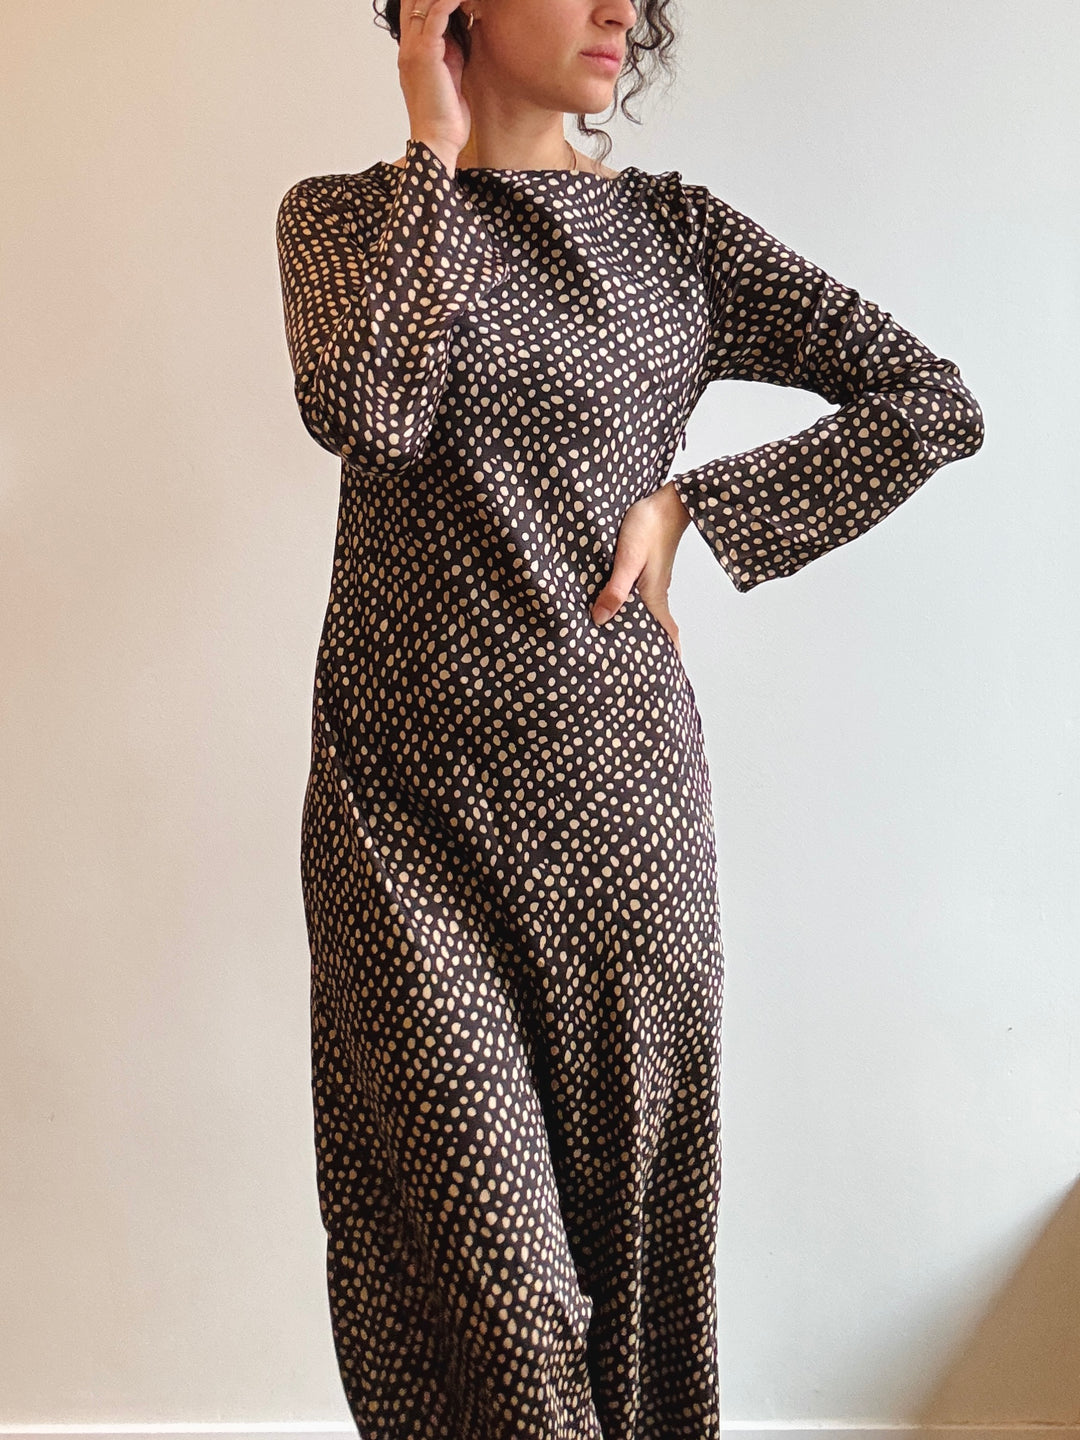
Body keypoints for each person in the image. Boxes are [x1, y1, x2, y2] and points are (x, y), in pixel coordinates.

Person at [274, 0, 985, 1435]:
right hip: (398, 826)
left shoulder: (677, 236)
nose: (622, 9)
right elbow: (367, 405)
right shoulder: (345, 221)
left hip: (620, 821)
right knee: (483, 1276)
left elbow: (929, 399)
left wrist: (700, 507)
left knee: (635, 1265)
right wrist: (433, 140)